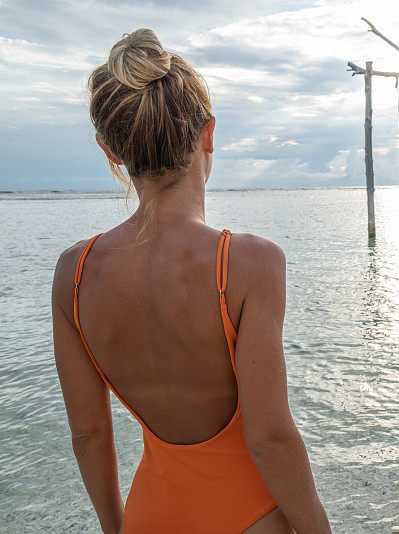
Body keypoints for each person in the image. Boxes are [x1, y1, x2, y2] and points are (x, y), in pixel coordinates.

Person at [51, 29, 331, 534]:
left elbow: (88, 435)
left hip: (149, 515)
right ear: (207, 132)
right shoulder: (247, 263)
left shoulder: (73, 273)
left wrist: (117, 529)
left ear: (110, 150)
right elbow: (270, 437)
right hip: (250, 517)